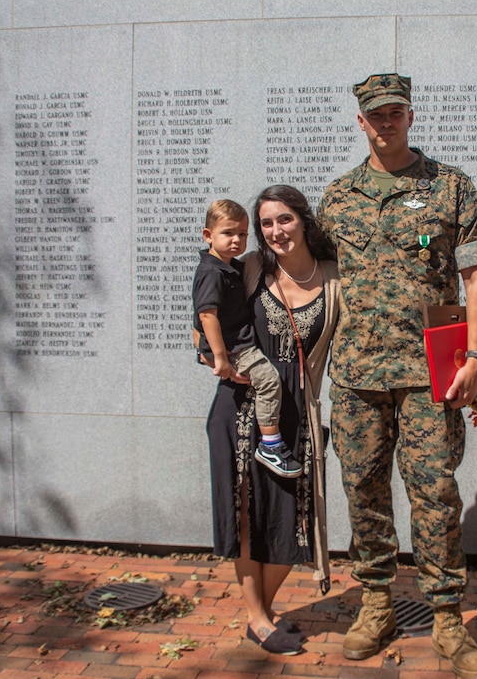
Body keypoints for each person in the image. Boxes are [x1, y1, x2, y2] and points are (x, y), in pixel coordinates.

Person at [318, 73, 477, 679]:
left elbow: (476, 279)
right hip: (358, 374)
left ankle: (447, 620)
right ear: (361, 122)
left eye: (396, 112)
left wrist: (476, 357)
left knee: (435, 495)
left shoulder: (450, 188)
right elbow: (309, 276)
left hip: (428, 373)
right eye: (375, 115)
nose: (386, 122)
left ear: (410, 117)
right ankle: (376, 603)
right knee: (363, 490)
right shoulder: (337, 198)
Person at [195, 186, 340, 655]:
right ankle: (258, 617)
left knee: (291, 517)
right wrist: (211, 354)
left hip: (296, 415)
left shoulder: (335, 279)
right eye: (266, 224)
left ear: (303, 220)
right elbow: (208, 313)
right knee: (246, 517)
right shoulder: (252, 267)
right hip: (239, 410)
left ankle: (265, 609)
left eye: (284, 220)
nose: (275, 231)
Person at [193, 199, 302, 478]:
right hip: (234, 348)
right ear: (208, 236)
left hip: (235, 346)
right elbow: (206, 316)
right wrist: (220, 358)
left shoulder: (232, 268)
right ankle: (271, 444)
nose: (237, 240)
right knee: (268, 379)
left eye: (242, 234)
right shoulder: (211, 272)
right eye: (228, 233)